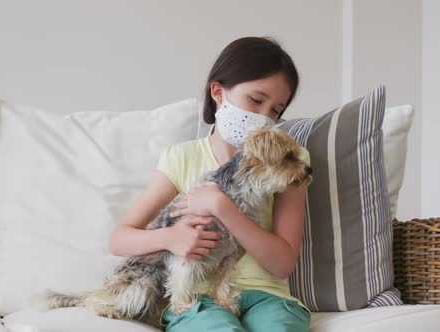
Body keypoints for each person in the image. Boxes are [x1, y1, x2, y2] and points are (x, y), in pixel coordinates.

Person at [109, 36, 311, 332]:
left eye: (276, 110)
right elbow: (119, 239)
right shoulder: (181, 157)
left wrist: (223, 207)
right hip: (196, 299)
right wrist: (171, 238)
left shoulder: (290, 160)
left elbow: (282, 264)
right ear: (218, 92)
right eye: (255, 100)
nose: (263, 117)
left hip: (269, 298)